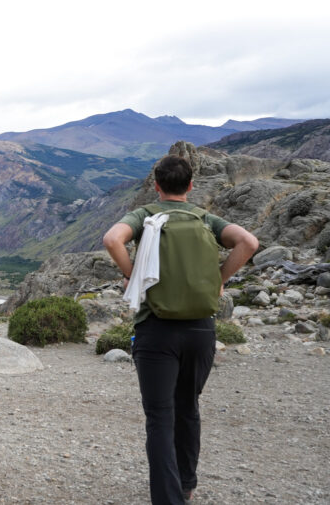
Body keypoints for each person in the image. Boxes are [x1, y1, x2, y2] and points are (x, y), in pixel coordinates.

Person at [103, 155, 258, 504]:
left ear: (156, 185)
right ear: (190, 186)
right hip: (201, 330)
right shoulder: (206, 219)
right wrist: (218, 280)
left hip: (155, 329)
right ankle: (186, 485)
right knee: (188, 407)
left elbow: (113, 239)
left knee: (160, 417)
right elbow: (248, 242)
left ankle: (169, 498)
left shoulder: (146, 216)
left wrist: (132, 275)